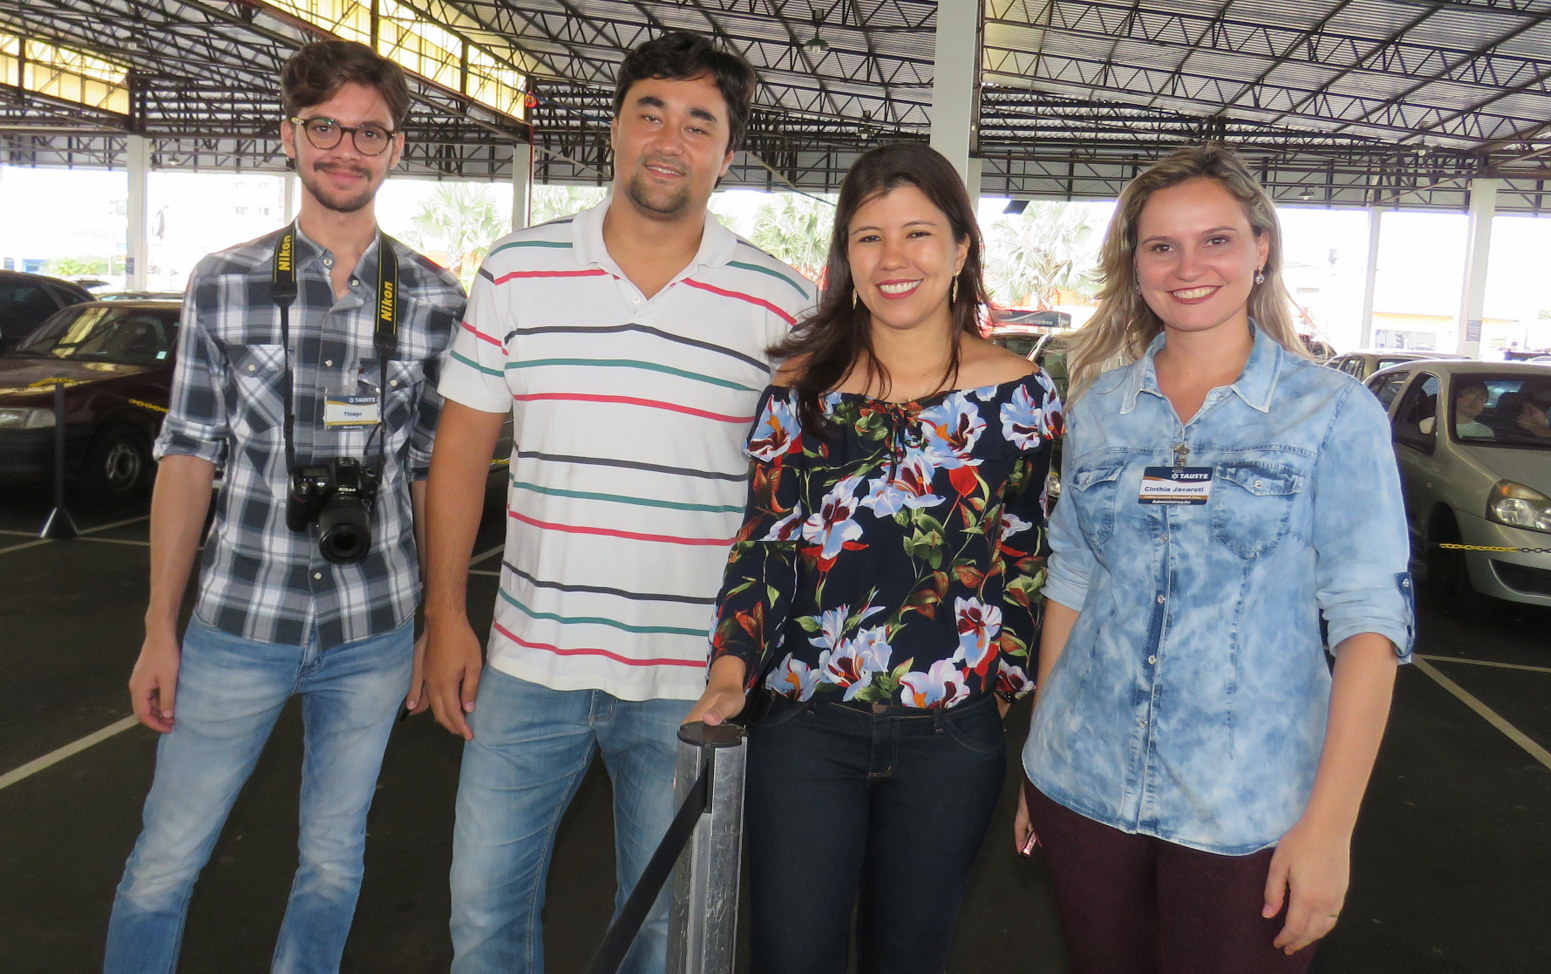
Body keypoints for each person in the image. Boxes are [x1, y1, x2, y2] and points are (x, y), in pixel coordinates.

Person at [424, 32, 814, 974]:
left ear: (727, 152)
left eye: (699, 123)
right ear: (614, 127)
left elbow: (790, 502)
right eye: (651, 113)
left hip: (691, 680)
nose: (669, 140)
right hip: (527, 663)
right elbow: (460, 454)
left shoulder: (779, 305)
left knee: (661, 935)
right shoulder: (517, 271)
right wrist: (443, 617)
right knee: (482, 915)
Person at [106, 39, 466, 974]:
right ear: (289, 136)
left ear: (396, 147)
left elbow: (432, 472)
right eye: (325, 128)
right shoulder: (223, 280)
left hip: (374, 630)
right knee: (164, 862)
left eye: (369, 132)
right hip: (238, 622)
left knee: (333, 860)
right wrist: (158, 628)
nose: (346, 150)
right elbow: (188, 456)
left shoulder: (434, 299)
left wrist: (439, 622)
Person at [1014, 145, 1414, 974]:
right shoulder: (1100, 408)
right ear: (1135, 266)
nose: (1188, 267)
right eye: (1162, 246)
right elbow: (1073, 581)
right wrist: (1036, 758)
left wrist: (1330, 828)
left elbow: (1371, 625)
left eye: (1216, 240)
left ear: (1261, 249)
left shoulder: (1333, 414)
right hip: (1081, 784)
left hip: (1247, 813)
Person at [685, 142, 1063, 974]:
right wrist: (730, 670)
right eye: (869, 237)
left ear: (960, 249)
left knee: (910, 956)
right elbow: (764, 542)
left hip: (950, 741)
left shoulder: (1022, 396)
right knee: (791, 956)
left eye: (918, 233)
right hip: (804, 730)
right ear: (846, 257)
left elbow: (1026, 556)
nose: (894, 258)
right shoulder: (800, 391)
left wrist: (1000, 687)